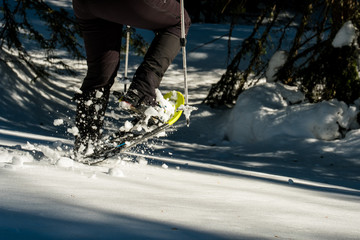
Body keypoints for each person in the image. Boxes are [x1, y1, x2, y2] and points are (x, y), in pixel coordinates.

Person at [72, 0, 191, 155]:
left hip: (87, 5)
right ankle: (142, 92)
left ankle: (85, 142)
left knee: (99, 75)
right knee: (180, 20)